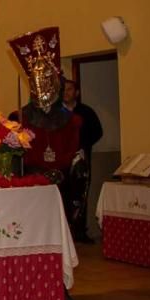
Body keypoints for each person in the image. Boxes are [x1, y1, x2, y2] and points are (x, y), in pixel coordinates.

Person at [9, 27, 86, 300]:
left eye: (48, 77)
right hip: (32, 186)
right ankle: (33, 290)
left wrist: (61, 173)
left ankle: (63, 289)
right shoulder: (24, 116)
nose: (43, 82)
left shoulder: (70, 119)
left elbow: (73, 153)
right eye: (37, 77)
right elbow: (19, 154)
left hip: (61, 185)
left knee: (61, 239)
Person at [62, 79, 102, 242]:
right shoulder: (55, 113)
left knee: (81, 193)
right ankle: (64, 231)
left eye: (70, 89)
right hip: (62, 160)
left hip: (82, 159)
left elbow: (97, 132)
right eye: (63, 89)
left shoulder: (86, 112)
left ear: (76, 92)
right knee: (64, 193)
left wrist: (83, 146)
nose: (66, 92)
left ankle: (80, 231)